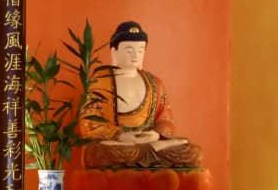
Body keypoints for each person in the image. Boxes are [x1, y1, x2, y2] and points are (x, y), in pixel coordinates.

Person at [79, 20, 202, 169]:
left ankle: (143, 156)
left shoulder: (155, 83)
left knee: (191, 149)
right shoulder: (100, 81)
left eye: (141, 50)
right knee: (98, 153)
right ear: (114, 52)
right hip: (119, 144)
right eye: (129, 50)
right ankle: (147, 158)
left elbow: (166, 119)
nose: (135, 56)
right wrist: (120, 135)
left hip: (151, 142)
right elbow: (89, 123)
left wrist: (156, 134)